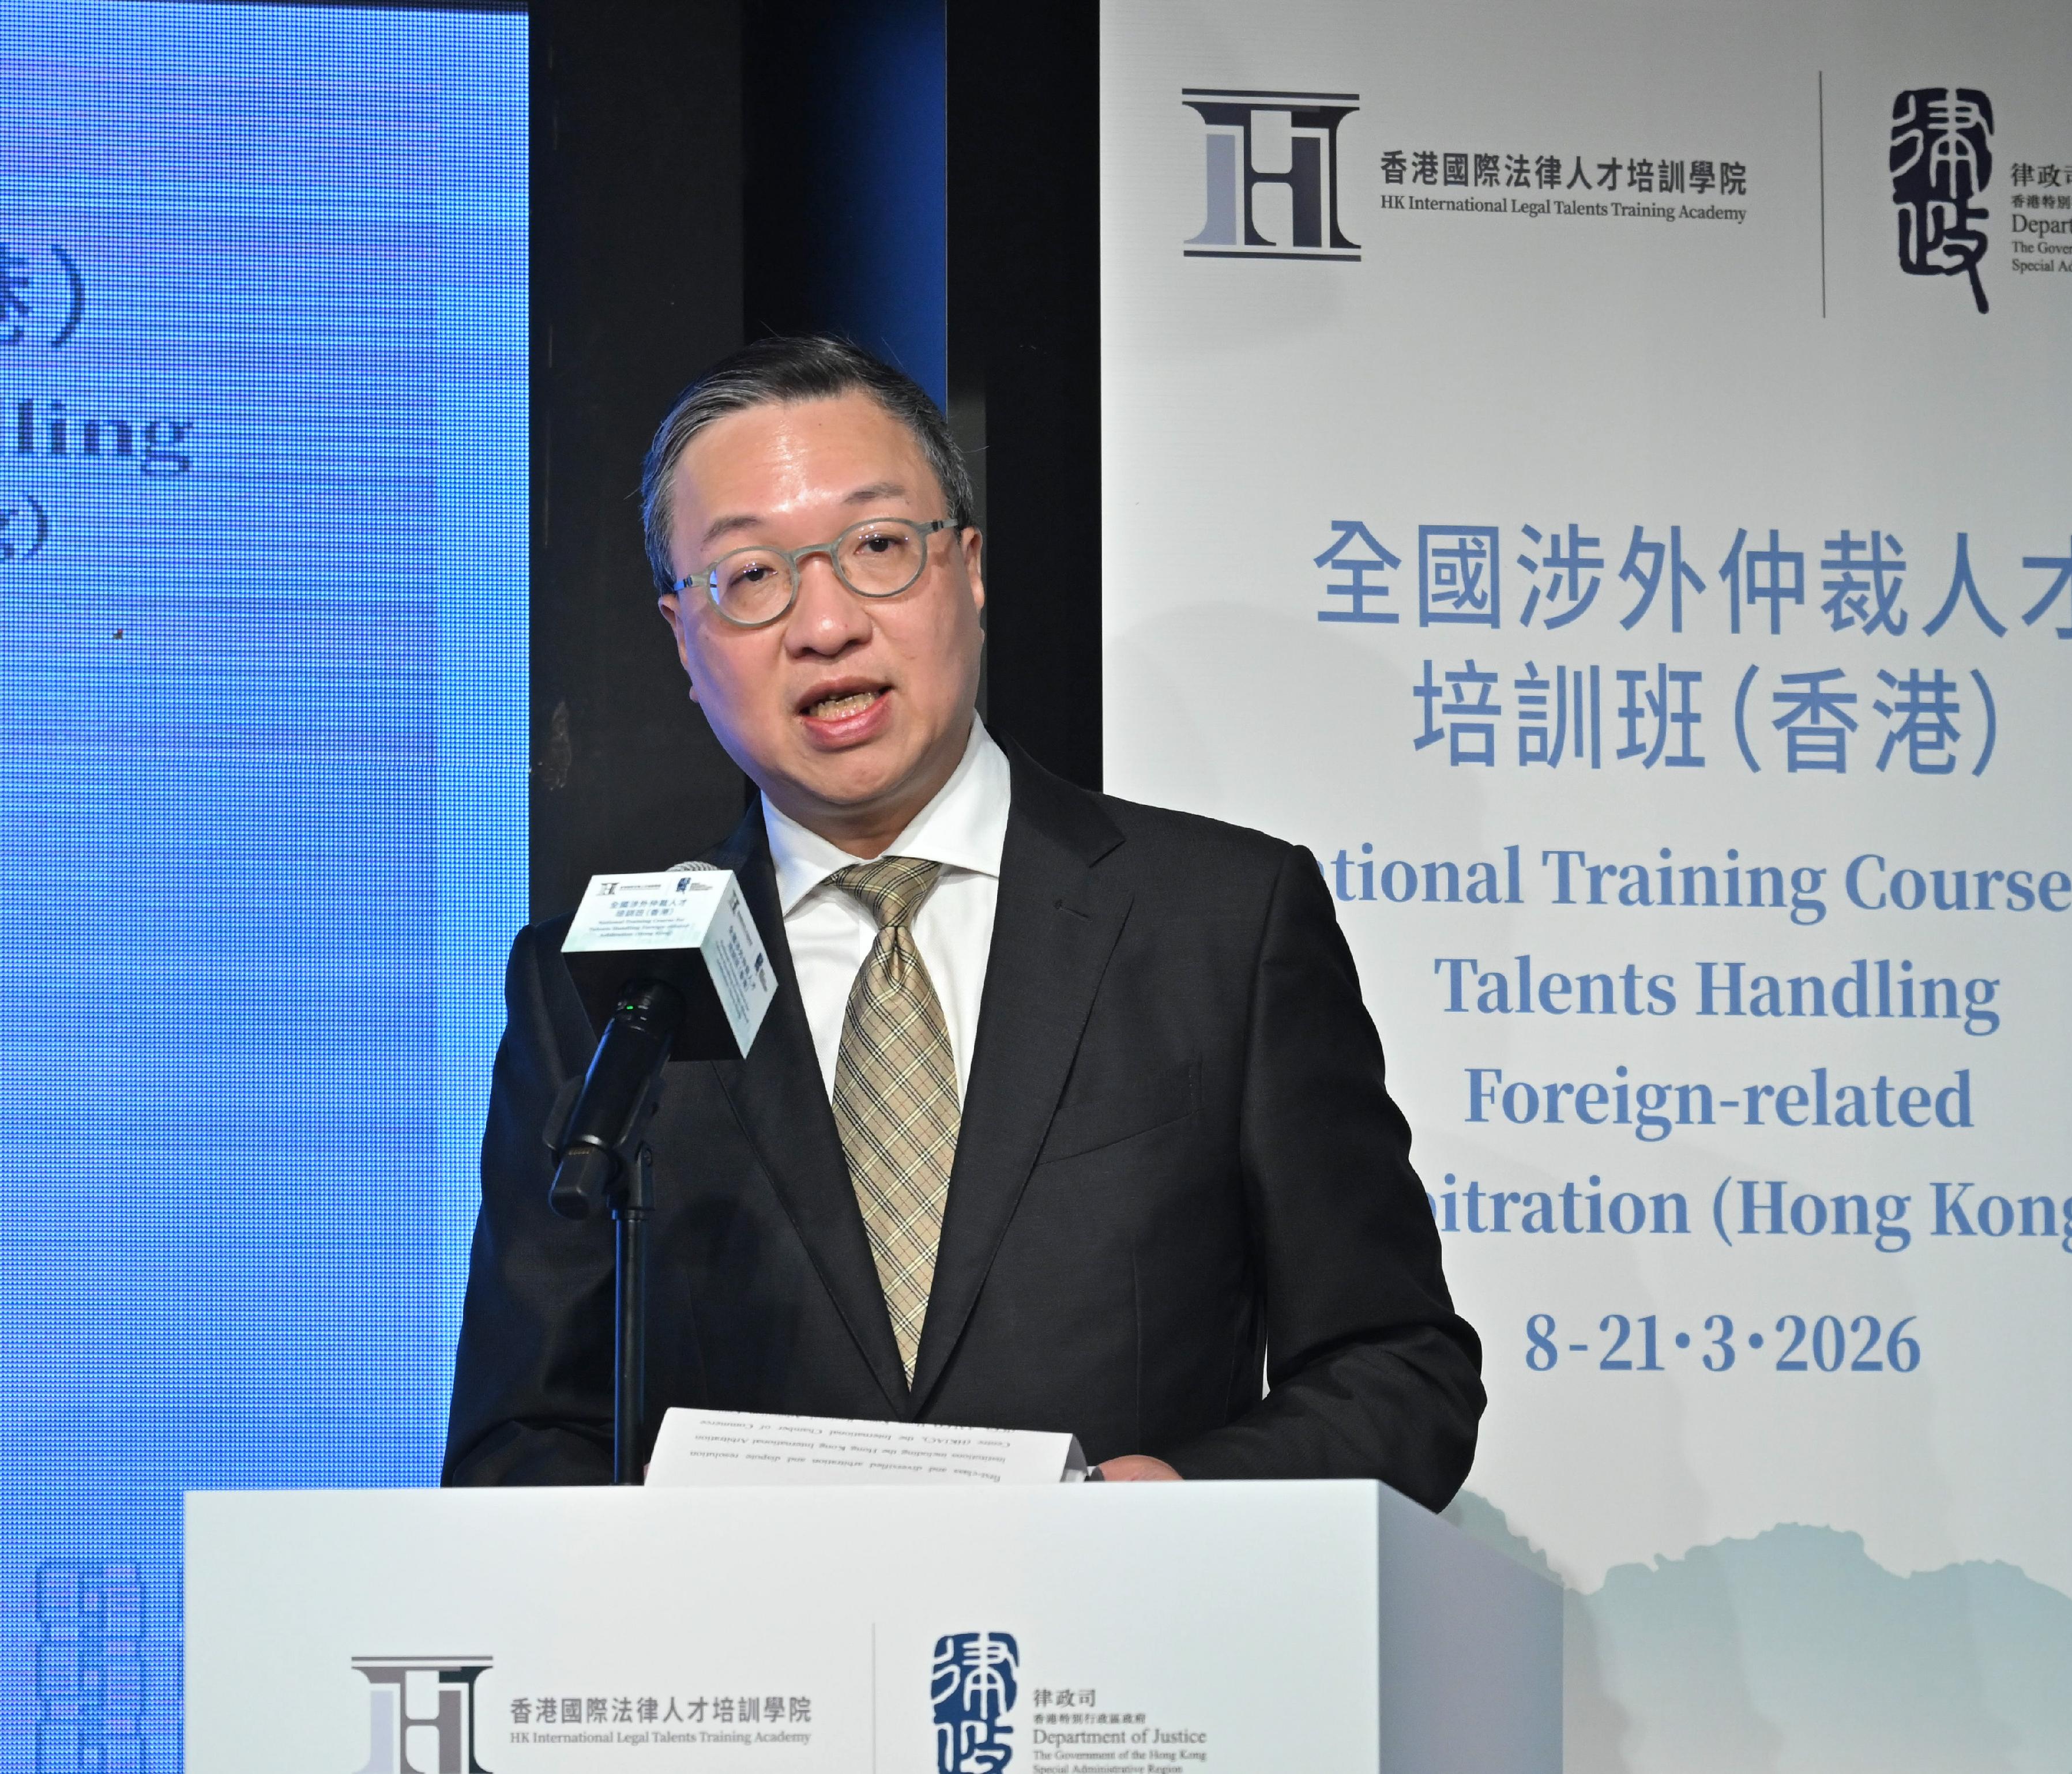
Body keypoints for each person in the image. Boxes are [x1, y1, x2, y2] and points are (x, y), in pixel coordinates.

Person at [442, 336, 1483, 1504]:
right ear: (682, 640)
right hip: (758, 1678)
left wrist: (1176, 1502)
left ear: (969, 570)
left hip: (1137, 1659)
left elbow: (1399, 1374)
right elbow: (518, 1445)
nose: (824, 624)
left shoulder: (1219, 927)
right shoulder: (595, 989)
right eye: (749, 576)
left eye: (878, 547)